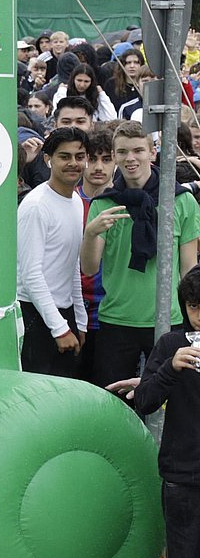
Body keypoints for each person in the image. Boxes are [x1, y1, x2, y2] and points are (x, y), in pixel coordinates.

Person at [82, 121, 200, 391]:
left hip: (168, 320)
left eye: (138, 150)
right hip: (116, 320)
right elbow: (89, 268)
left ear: (152, 152)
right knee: (113, 402)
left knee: (169, 402)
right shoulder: (103, 203)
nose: (130, 158)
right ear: (115, 156)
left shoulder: (181, 201)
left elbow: (189, 270)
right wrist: (90, 234)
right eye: (122, 152)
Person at [131, 267, 200, 558]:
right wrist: (171, 368)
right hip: (183, 471)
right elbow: (145, 402)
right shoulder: (172, 343)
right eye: (195, 308)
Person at [16, 126, 90, 377]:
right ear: (48, 160)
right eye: (64, 156)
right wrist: (59, 328)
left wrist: (79, 321)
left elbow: (72, 266)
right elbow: (31, 275)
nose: (73, 163)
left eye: (79, 156)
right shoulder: (36, 206)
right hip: (35, 317)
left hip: (63, 315)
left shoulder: (77, 201)